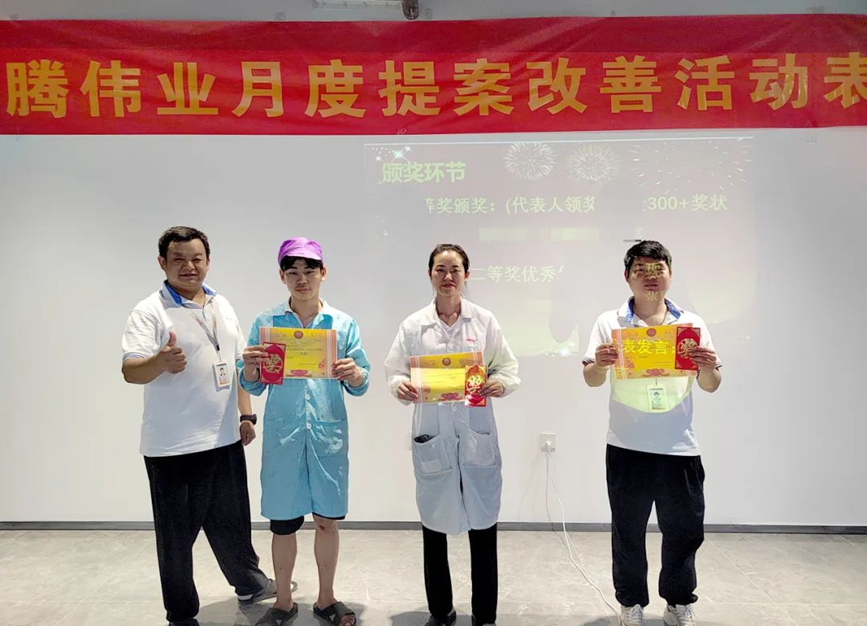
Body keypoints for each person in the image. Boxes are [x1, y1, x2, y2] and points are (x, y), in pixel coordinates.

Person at [121, 226, 275, 626]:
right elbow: (130, 371)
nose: (189, 267)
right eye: (178, 259)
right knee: (176, 539)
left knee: (233, 523)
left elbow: (236, 364)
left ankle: (249, 583)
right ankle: (181, 613)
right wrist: (160, 362)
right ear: (162, 263)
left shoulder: (221, 303)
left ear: (208, 261)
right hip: (173, 447)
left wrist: (245, 415)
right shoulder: (149, 311)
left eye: (196, 259)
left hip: (223, 438)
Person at [582, 241, 722, 626]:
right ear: (627, 277)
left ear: (670, 275)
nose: (650, 277)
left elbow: (711, 384)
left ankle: (678, 602)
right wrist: (600, 364)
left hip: (680, 446)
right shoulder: (610, 323)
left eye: (658, 269)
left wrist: (707, 366)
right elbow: (591, 379)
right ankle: (631, 603)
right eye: (641, 270)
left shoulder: (690, 325)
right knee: (628, 532)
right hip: (627, 446)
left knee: (685, 531)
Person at [384, 244, 520, 626]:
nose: (448, 276)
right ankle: (441, 611)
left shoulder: (484, 321)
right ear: (430, 274)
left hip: (475, 434)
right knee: (434, 530)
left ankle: (485, 615)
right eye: (440, 269)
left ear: (466, 275)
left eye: (455, 269)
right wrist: (399, 386)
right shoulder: (414, 326)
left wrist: (499, 383)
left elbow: (508, 367)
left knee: (484, 530)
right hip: (434, 435)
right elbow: (394, 371)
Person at [241, 238, 370, 626]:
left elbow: (361, 383)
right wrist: (250, 367)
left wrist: (354, 373)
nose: (302, 279)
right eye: (293, 272)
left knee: (327, 520)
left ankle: (326, 598)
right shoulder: (267, 324)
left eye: (309, 271)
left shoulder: (342, 325)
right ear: (281, 276)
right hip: (284, 437)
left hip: (327, 436)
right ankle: (283, 601)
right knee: (283, 523)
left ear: (322, 273)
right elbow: (252, 385)